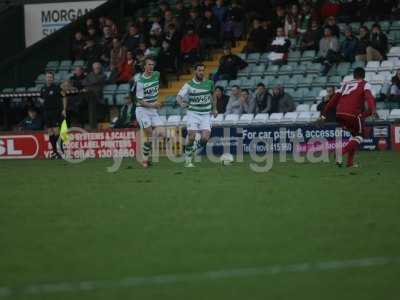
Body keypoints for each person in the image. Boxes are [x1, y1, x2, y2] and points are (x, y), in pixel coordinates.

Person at [318, 67, 377, 167]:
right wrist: (373, 110)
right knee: (359, 137)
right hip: (353, 114)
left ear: (354, 76)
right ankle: (340, 153)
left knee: (353, 137)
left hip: (340, 114)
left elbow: (333, 101)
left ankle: (349, 162)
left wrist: (323, 114)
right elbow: (369, 97)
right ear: (363, 76)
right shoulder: (365, 84)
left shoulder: (345, 85)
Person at [177, 63, 217, 168]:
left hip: (206, 114)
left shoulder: (209, 83)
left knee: (205, 138)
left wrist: (214, 108)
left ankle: (190, 150)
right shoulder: (189, 84)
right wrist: (181, 103)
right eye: (199, 70)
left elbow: (213, 96)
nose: (201, 72)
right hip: (193, 113)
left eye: (203, 70)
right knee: (191, 136)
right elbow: (179, 97)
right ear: (195, 71)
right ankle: (188, 159)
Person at [133, 57, 164, 168]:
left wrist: (155, 103)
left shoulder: (157, 74)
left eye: (152, 65)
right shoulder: (140, 81)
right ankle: (144, 160)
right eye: (149, 64)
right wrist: (153, 104)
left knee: (161, 133)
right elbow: (140, 101)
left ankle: (144, 156)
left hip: (152, 109)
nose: (151, 66)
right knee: (150, 133)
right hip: (142, 110)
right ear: (144, 66)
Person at [40, 71, 66, 159]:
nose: (49, 78)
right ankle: (55, 152)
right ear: (45, 78)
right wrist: (42, 102)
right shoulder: (43, 88)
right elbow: (41, 98)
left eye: (50, 77)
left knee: (56, 131)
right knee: (50, 132)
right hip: (46, 113)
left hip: (56, 112)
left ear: (53, 78)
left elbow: (64, 97)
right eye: (48, 77)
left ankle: (61, 151)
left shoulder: (57, 88)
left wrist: (64, 109)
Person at [81, 62, 107, 129]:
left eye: (98, 68)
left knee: (91, 98)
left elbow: (95, 81)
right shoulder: (90, 74)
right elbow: (83, 82)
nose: (96, 69)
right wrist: (90, 83)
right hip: (88, 95)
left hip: (97, 96)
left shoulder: (103, 75)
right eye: (95, 68)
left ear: (100, 68)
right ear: (93, 68)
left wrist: (89, 83)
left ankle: (93, 126)